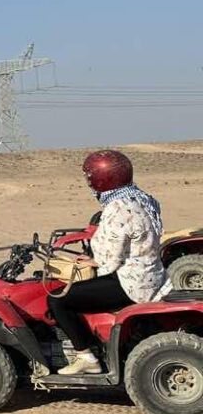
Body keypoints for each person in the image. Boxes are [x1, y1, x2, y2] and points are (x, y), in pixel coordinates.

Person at [49, 150, 165, 374]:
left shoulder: (117, 208)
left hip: (129, 282)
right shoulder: (143, 199)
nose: (89, 183)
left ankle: (86, 356)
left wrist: (93, 262)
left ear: (101, 179)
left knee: (57, 300)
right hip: (150, 275)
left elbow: (110, 259)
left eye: (90, 177)